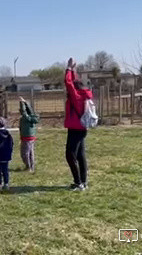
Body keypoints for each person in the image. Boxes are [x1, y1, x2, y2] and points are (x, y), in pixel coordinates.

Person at [64, 57, 93, 191]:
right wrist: (74, 69)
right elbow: (73, 81)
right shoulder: (82, 94)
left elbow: (68, 82)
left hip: (75, 129)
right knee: (81, 156)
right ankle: (83, 182)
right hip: (81, 128)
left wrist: (69, 68)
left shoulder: (76, 97)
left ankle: (78, 182)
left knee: (70, 155)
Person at [19, 97, 39, 172]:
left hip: (26, 137)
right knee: (31, 152)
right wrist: (26, 102)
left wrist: (21, 103)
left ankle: (28, 166)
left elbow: (23, 111)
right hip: (31, 137)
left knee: (24, 153)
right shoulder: (32, 116)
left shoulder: (26, 117)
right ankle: (31, 166)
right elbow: (30, 110)